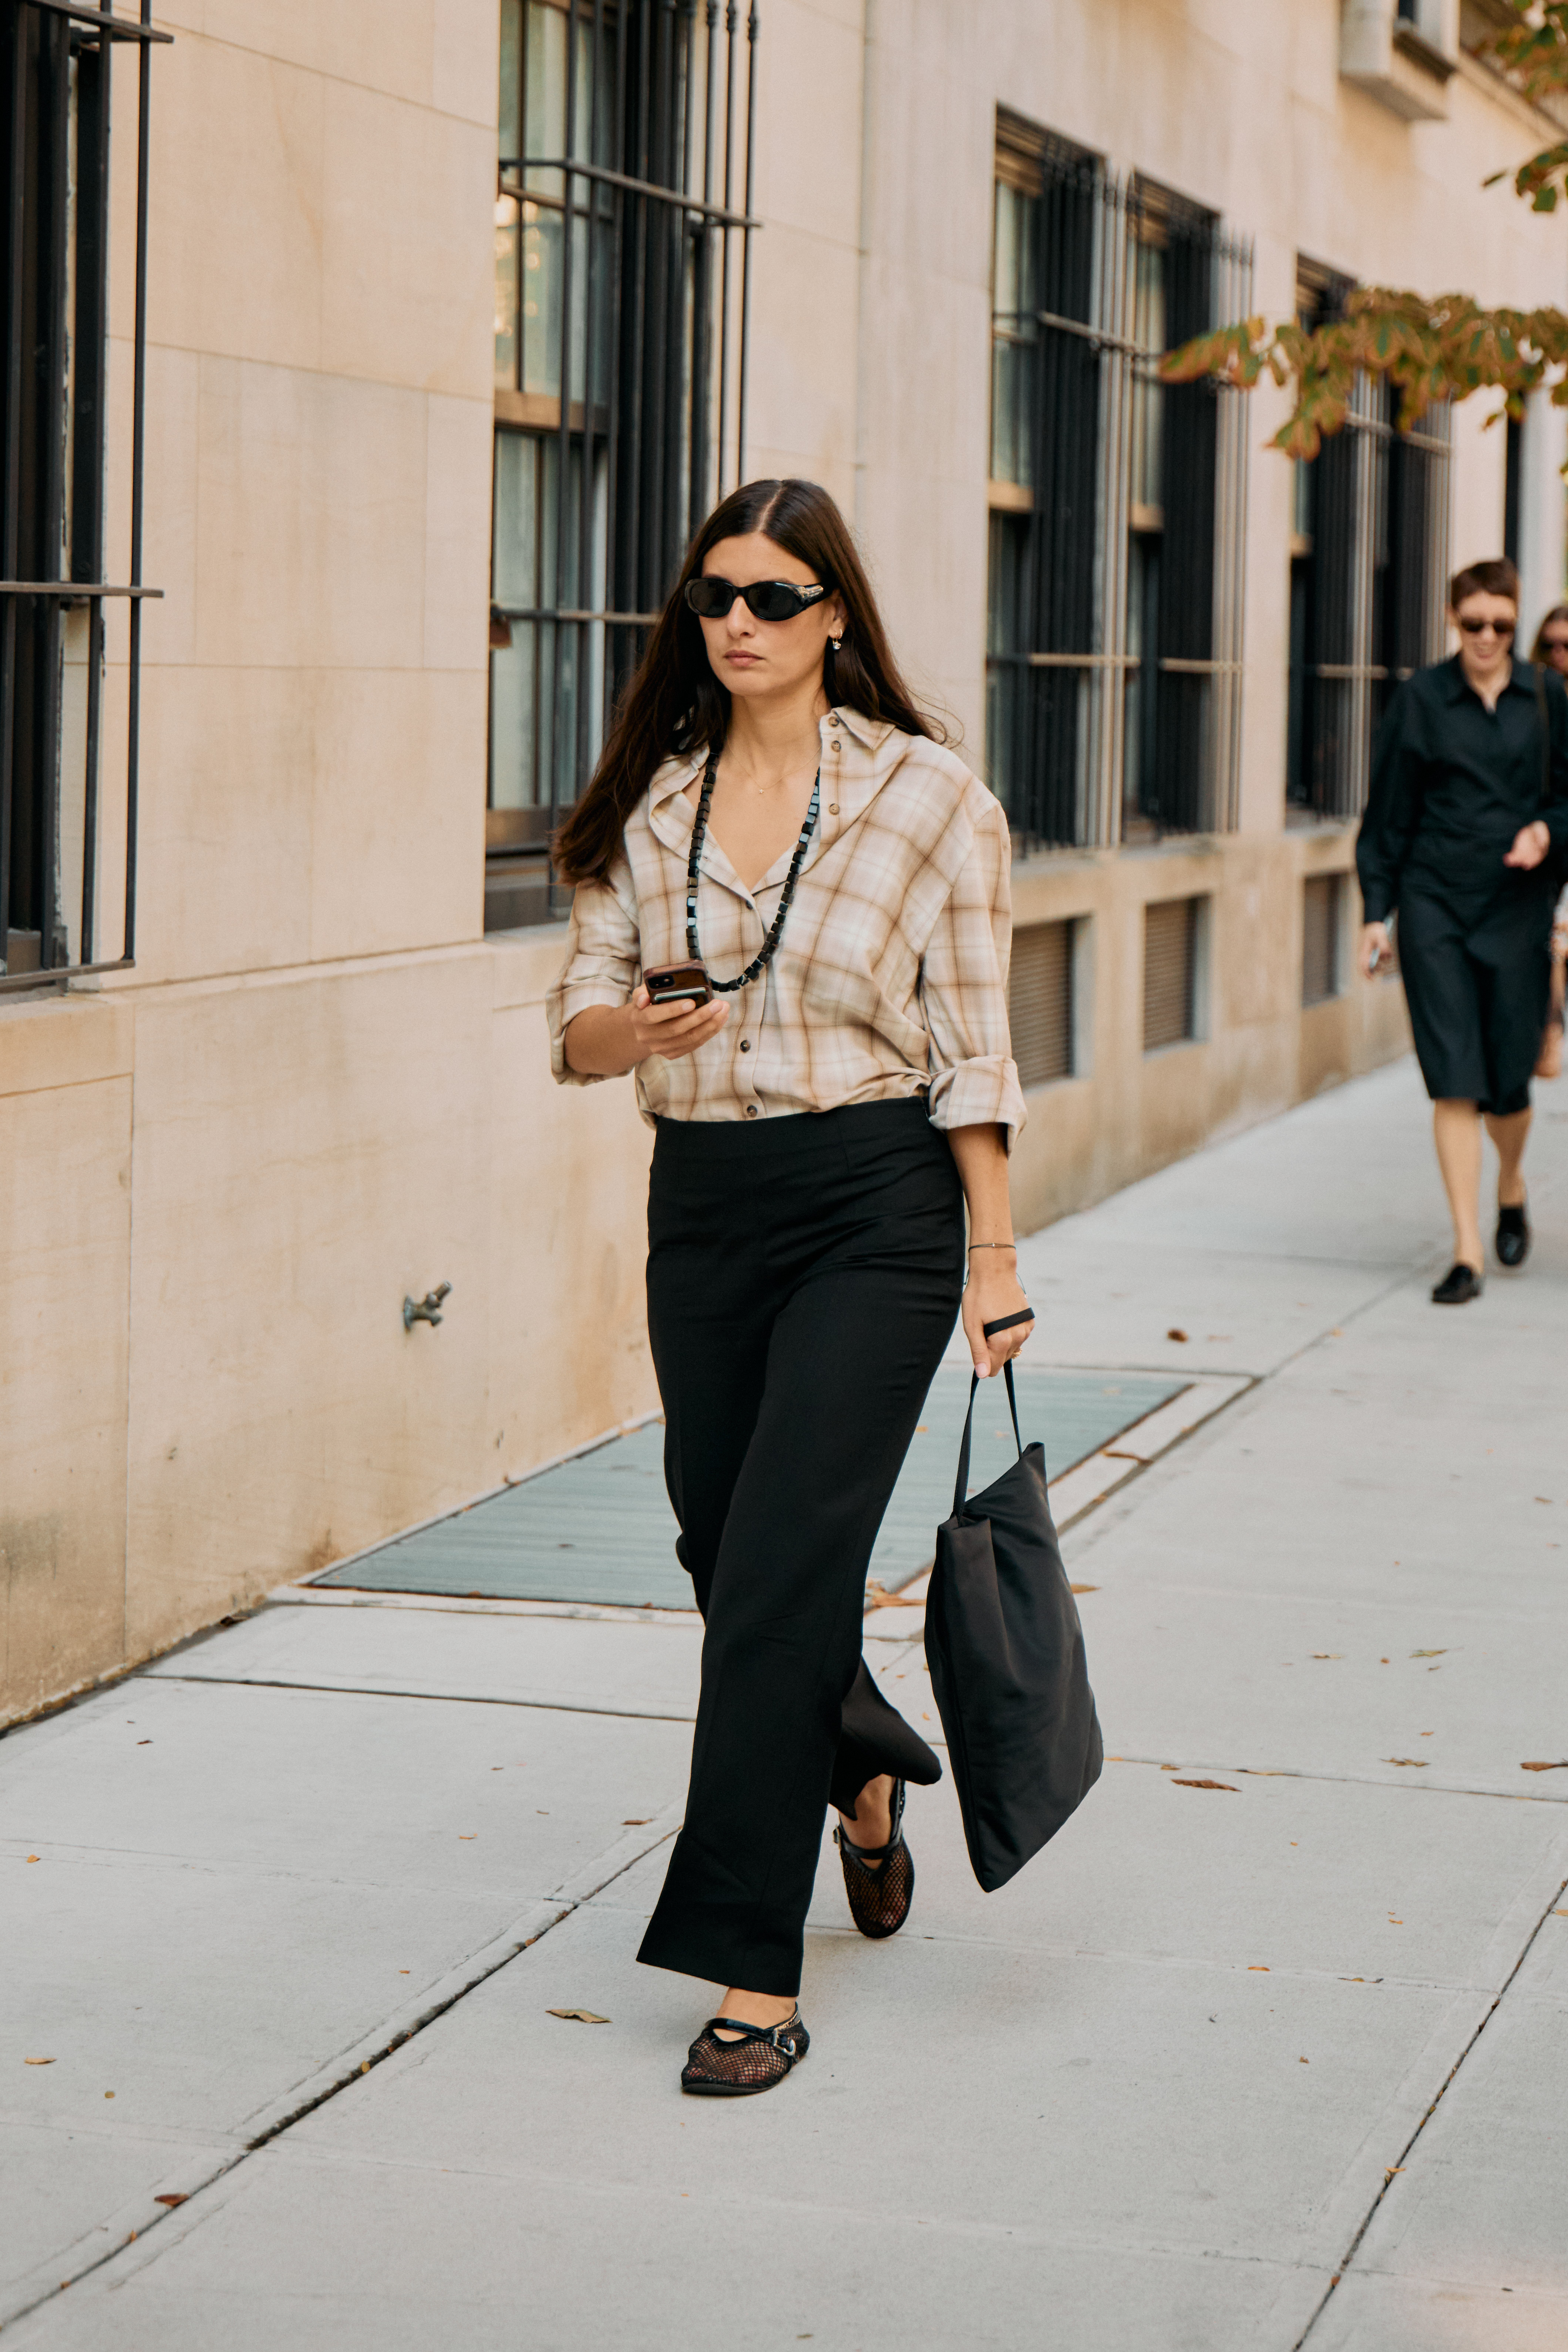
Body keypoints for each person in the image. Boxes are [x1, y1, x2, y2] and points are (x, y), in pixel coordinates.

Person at [546, 478, 1032, 2096]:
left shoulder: (930, 801)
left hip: (875, 1209)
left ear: (836, 615)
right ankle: (866, 1764)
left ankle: (748, 1967)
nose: (736, 624)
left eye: (770, 596)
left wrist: (995, 1257)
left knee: (778, 1567)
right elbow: (575, 1026)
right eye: (712, 598)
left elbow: (974, 1050)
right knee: (722, 1541)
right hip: (707, 1206)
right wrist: (643, 1032)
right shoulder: (650, 802)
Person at [1357, 558, 1568, 1302]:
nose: (1487, 637)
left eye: (1502, 626)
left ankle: (1510, 1182)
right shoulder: (1420, 700)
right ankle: (1467, 1250)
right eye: (1473, 623)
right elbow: (1385, 816)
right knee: (1453, 1077)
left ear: (1516, 623)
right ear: (1454, 620)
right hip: (1433, 906)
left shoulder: (1547, 697)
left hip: (1516, 910)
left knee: (1507, 1084)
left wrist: (1547, 830)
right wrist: (1374, 914)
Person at [1529, 605, 1568, 1079]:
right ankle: (1549, 1035)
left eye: (1567, 645)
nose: (1557, 654)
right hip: (1551, 845)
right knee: (1553, 943)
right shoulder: (1533, 700)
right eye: (1549, 644)